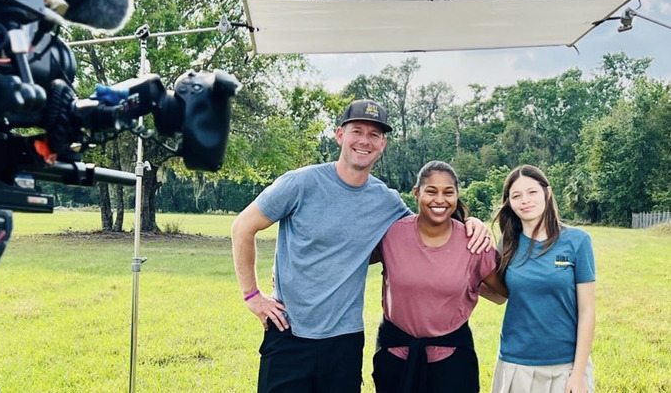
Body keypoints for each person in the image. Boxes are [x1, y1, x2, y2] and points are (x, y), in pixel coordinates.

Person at [231, 99, 493, 393]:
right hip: (288, 331)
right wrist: (252, 295)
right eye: (357, 131)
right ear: (340, 135)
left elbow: (425, 230)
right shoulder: (301, 183)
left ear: (383, 144)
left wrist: (471, 223)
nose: (364, 141)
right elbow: (243, 227)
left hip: (345, 340)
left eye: (374, 135)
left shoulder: (386, 201)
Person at [371, 160, 507, 393]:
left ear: (456, 196)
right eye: (431, 191)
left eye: (448, 192)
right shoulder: (392, 235)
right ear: (416, 193)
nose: (440, 200)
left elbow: (502, 294)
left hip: (452, 361)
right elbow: (346, 261)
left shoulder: (473, 242)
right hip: (396, 356)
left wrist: (469, 283)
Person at [490, 165, 596, 393]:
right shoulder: (507, 244)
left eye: (532, 192)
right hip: (516, 363)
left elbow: (587, 310)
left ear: (547, 193)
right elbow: (500, 296)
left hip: (565, 367)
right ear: (509, 202)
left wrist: (578, 375)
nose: (525, 200)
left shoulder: (578, 241)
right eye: (516, 196)